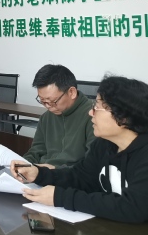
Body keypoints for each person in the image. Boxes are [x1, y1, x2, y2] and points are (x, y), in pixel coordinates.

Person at [11, 75, 148, 223]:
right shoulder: (104, 144)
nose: (90, 113)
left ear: (123, 117)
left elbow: (134, 207)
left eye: (97, 107)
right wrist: (39, 173)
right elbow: (80, 177)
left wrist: (61, 197)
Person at [22, 64, 95, 168]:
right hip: (41, 173)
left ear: (72, 92)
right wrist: (24, 164)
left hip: (70, 176)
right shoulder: (46, 118)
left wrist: (53, 171)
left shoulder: (94, 116)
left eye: (52, 101)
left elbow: (92, 164)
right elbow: (36, 151)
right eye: (42, 101)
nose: (48, 106)